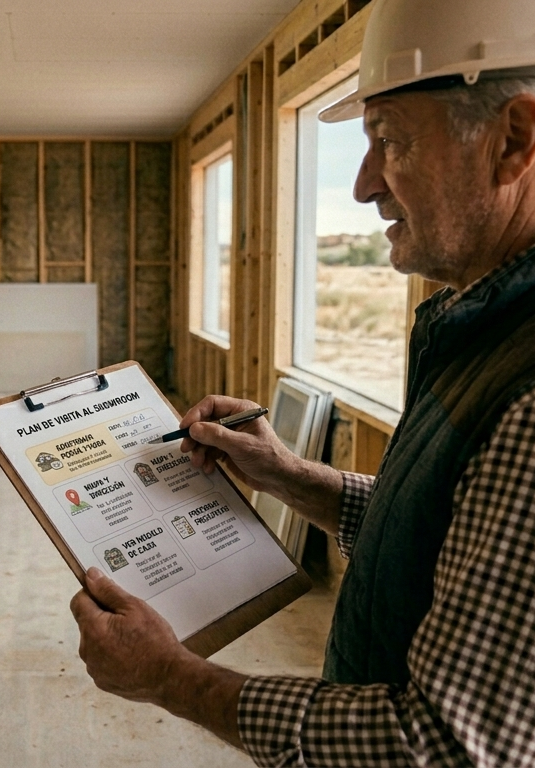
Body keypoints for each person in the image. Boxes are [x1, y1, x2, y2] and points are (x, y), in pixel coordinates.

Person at [70, 0, 535, 764]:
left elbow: (441, 749)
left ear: (513, 139)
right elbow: (435, 537)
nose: (363, 185)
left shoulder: (527, 395)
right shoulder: (479, 325)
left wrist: (172, 678)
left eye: (388, 139)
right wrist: (287, 476)